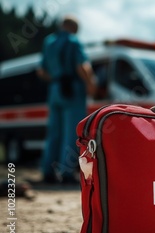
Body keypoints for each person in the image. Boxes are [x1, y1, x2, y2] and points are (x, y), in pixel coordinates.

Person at [37, 15, 95, 184]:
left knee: (53, 133)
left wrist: (57, 79)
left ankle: (47, 171)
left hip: (55, 89)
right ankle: (66, 173)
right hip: (72, 89)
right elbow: (81, 66)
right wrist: (91, 84)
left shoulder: (49, 41)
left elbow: (41, 71)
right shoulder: (73, 41)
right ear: (73, 27)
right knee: (72, 133)